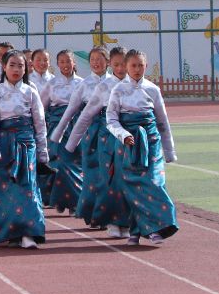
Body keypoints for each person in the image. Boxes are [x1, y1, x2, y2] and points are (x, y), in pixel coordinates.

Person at [106, 49, 179, 246]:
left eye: (140, 65)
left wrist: (169, 150)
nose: (137, 69)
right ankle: (135, 231)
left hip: (151, 143)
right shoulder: (118, 90)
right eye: (133, 65)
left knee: (154, 182)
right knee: (132, 188)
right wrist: (124, 135)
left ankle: (159, 227)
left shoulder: (153, 89)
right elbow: (111, 120)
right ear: (126, 67)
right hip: (127, 145)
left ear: (146, 66)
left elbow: (162, 121)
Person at [0, 50, 50, 250]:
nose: (16, 69)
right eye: (12, 65)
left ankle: (30, 232)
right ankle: (11, 232)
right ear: (4, 67)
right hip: (4, 146)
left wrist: (42, 152)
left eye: (20, 66)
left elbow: (40, 123)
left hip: (25, 144)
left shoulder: (31, 92)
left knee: (27, 187)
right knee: (4, 189)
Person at [64, 47, 130, 237]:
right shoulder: (90, 85)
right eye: (92, 59)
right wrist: (65, 140)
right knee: (102, 176)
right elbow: (78, 113)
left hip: (126, 134)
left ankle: (123, 220)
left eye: (99, 59)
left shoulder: (133, 84)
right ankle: (106, 218)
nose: (95, 63)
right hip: (100, 134)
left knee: (125, 177)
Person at [40, 50, 83, 212]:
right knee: (60, 163)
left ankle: (73, 201)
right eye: (62, 62)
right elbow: (41, 107)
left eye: (68, 61)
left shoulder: (82, 83)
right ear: (57, 65)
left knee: (76, 164)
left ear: (74, 63)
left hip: (77, 128)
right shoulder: (51, 84)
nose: (65, 65)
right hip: (57, 128)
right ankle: (65, 200)